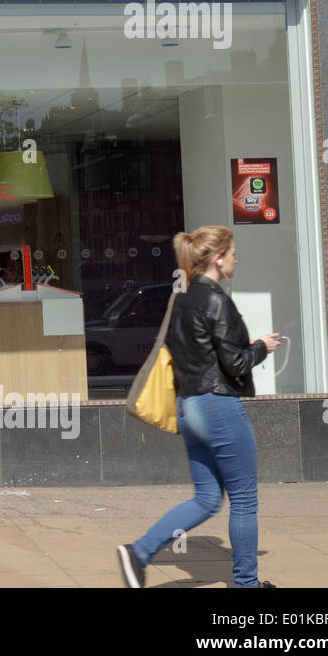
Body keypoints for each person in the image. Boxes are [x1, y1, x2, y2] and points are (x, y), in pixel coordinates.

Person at [117, 226, 282, 589]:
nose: (237, 258)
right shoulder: (216, 299)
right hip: (218, 407)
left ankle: (139, 553)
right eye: (233, 253)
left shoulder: (183, 297)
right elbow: (234, 364)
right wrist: (261, 347)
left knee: (207, 499)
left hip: (189, 406)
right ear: (217, 258)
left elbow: (199, 353)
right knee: (244, 501)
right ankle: (246, 585)